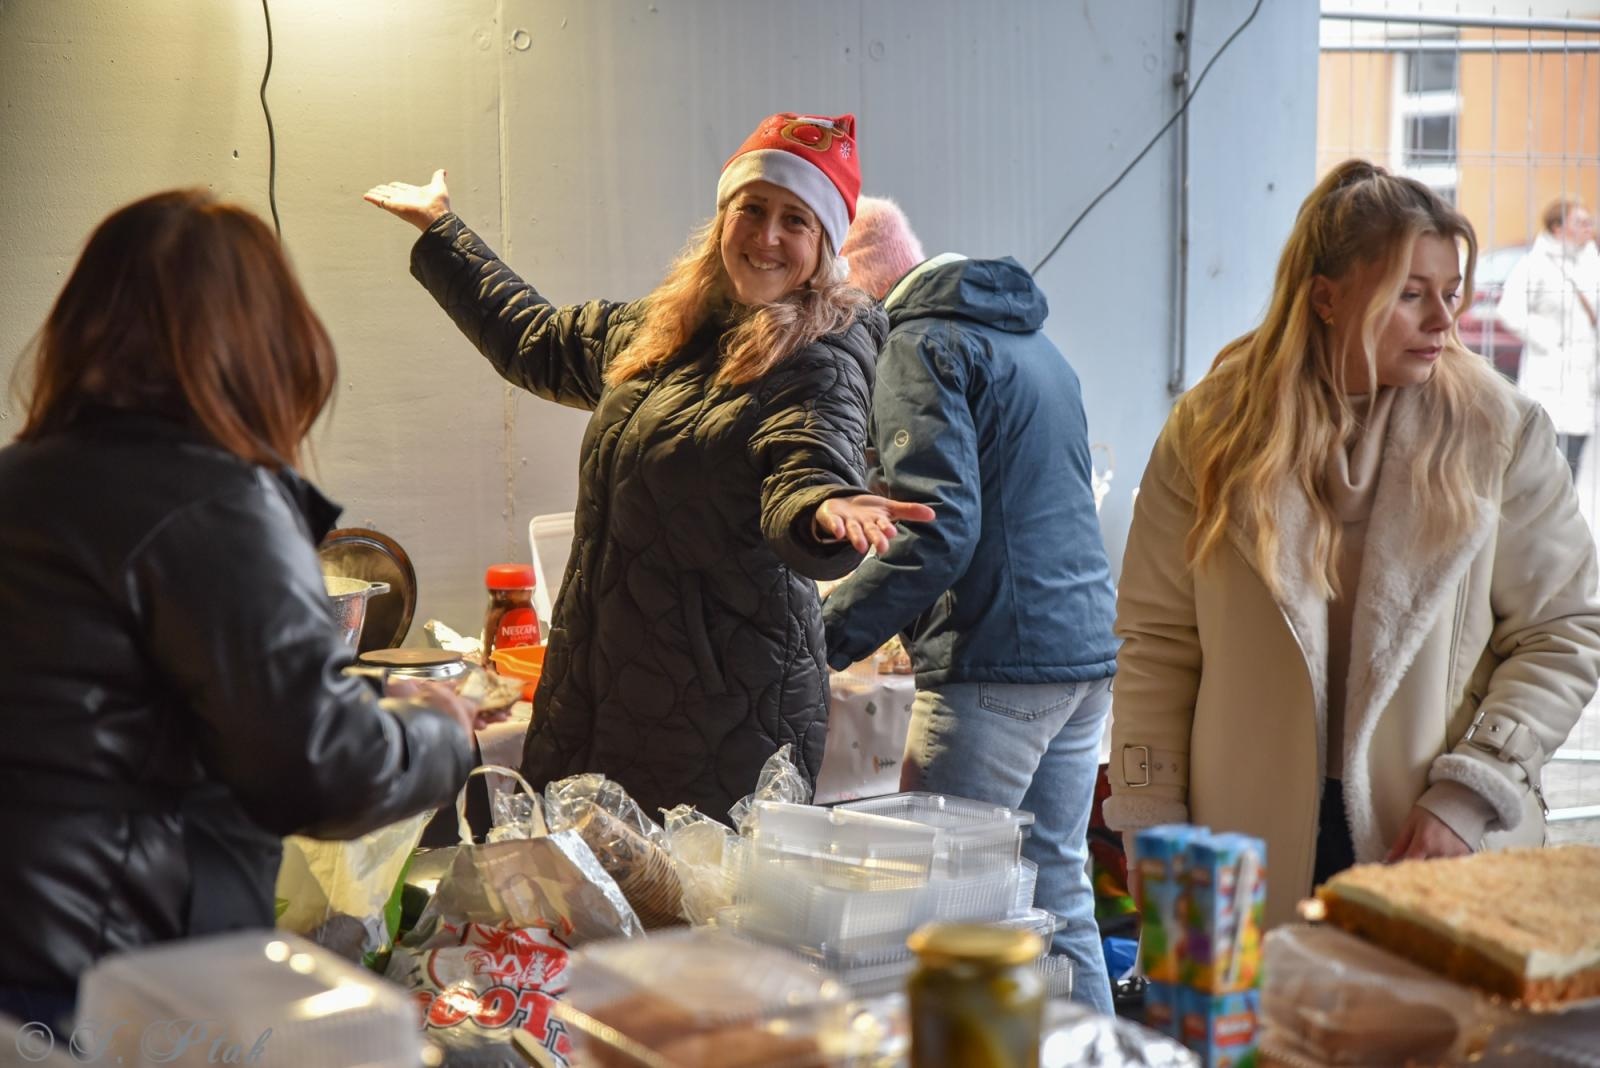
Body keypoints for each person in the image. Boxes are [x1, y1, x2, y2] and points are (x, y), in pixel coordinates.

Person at [365, 113, 933, 823]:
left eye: (796, 220)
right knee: (579, 909)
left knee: (680, 924)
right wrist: (443, 232)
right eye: (751, 209)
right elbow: (535, 341)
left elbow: (807, 457)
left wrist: (825, 509)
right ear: (724, 216)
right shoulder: (663, 329)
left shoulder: (820, 355)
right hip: (599, 690)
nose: (766, 236)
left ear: (822, 246)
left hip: (719, 718)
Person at [0, 189, 483, 1022]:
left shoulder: (23, 482)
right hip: (108, 970)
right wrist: (446, 730)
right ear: (260, 341)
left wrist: (362, 699)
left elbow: (141, 702)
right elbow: (317, 769)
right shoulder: (216, 501)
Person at [1105, 160, 1600, 928]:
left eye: (1451, 290)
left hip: (1435, 843)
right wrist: (1152, 830)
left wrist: (1471, 792)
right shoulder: (1212, 432)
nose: (1444, 319)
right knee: (1262, 1046)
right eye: (1411, 294)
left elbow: (1564, 629)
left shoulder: (1498, 433)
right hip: (1241, 846)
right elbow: (1158, 644)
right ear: (1325, 298)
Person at [820, 197, 1120, 1013]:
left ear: (853, 284)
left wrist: (819, 638)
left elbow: (937, 526)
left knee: (940, 904)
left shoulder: (916, 343)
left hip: (997, 661)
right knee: (1059, 892)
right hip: (1080, 655)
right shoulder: (1032, 341)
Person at [1497, 198, 1600, 477]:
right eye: (1579, 222)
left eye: (1588, 222)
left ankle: (1567, 517)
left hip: (1584, 376)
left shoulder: (1592, 262)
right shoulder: (1536, 264)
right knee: (1546, 457)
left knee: (1575, 458)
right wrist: (1549, 341)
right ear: (1557, 228)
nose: (1588, 228)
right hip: (1549, 373)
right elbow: (1509, 309)